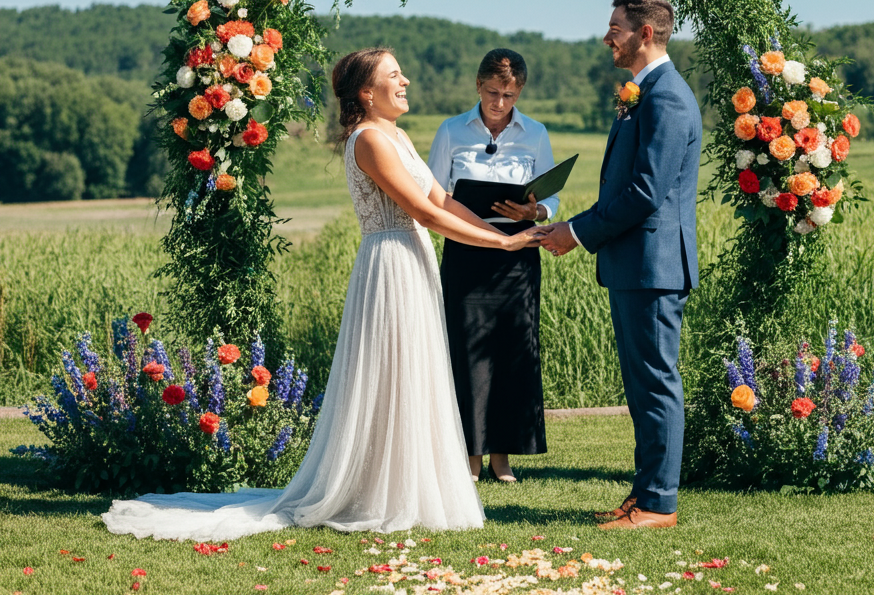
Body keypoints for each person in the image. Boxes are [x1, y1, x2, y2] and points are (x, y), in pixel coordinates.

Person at [102, 48, 545, 540]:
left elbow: (443, 199)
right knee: (389, 372)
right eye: (394, 75)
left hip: (414, 261)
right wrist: (504, 240)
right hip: (390, 264)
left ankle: (405, 486)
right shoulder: (370, 140)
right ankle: (374, 490)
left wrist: (502, 231)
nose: (407, 81)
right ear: (365, 92)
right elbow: (425, 213)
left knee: (413, 372)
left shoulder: (397, 136)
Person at [538, 0, 701, 531]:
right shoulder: (644, 93)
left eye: (616, 28)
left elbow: (645, 192)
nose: (607, 37)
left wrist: (577, 232)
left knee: (656, 382)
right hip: (636, 265)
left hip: (655, 266)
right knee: (642, 384)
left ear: (645, 34)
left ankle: (659, 504)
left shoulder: (667, 98)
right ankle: (644, 494)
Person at [428, 48, 559, 483]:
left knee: (513, 352)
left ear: (519, 91)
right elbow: (433, 193)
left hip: (518, 253)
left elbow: (552, 198)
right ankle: (469, 457)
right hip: (465, 257)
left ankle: (503, 457)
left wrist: (535, 214)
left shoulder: (536, 133)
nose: (499, 102)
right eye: (491, 92)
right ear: (477, 86)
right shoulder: (451, 131)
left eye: (508, 94)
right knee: (466, 354)